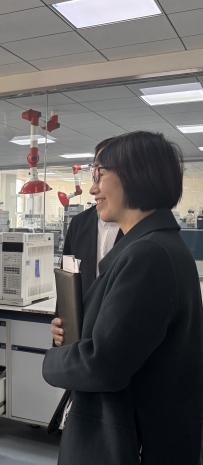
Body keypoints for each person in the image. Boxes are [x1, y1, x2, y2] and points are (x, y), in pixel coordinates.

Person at [43, 131, 203, 465]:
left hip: (130, 441)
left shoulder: (149, 256)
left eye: (100, 174)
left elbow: (103, 364)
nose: (93, 189)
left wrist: (53, 360)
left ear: (134, 175)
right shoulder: (151, 246)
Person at [48, 138, 122, 433]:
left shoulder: (143, 239)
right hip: (81, 343)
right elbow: (68, 280)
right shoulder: (80, 224)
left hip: (114, 349)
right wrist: (61, 325)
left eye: (101, 173)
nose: (94, 185)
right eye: (95, 172)